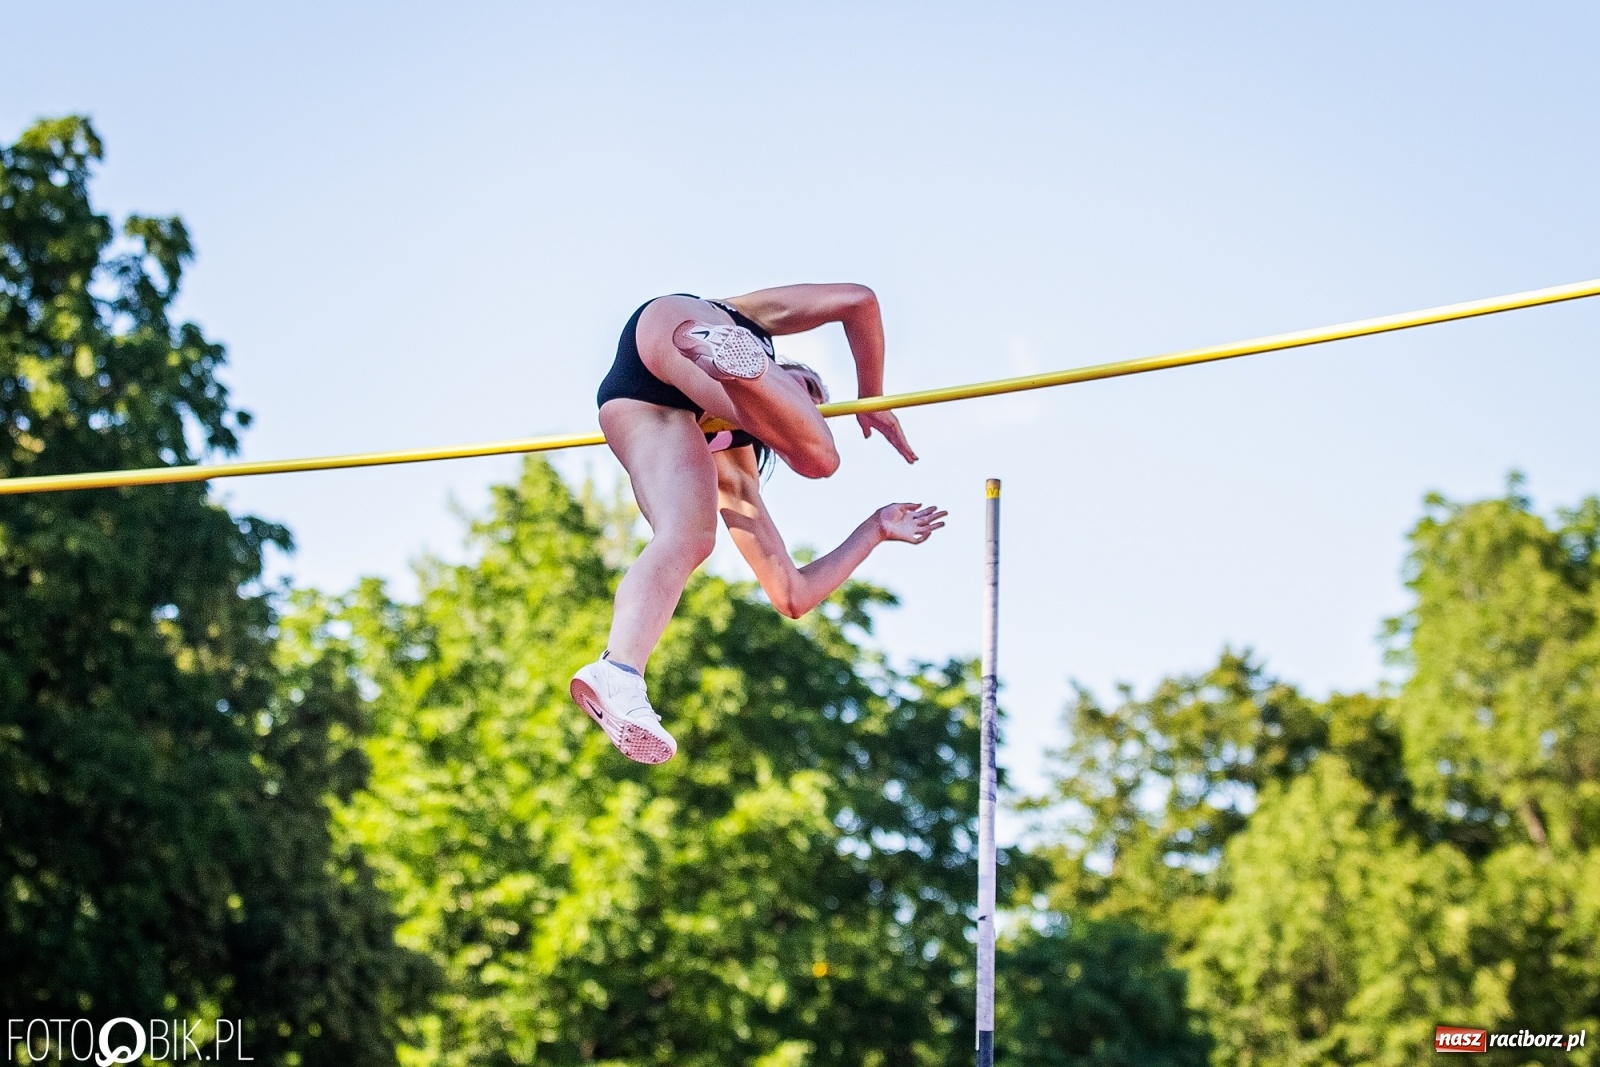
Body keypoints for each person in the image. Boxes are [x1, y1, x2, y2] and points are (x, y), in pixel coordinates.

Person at [570, 285, 946, 764]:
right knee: (820, 457)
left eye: (813, 402)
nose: (807, 402)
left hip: (640, 402)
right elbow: (860, 301)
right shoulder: (749, 318)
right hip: (676, 329)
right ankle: (725, 359)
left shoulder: (734, 464)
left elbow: (791, 594)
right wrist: (871, 394)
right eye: (803, 387)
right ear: (779, 363)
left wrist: (873, 529)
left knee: (687, 540)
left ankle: (619, 672)